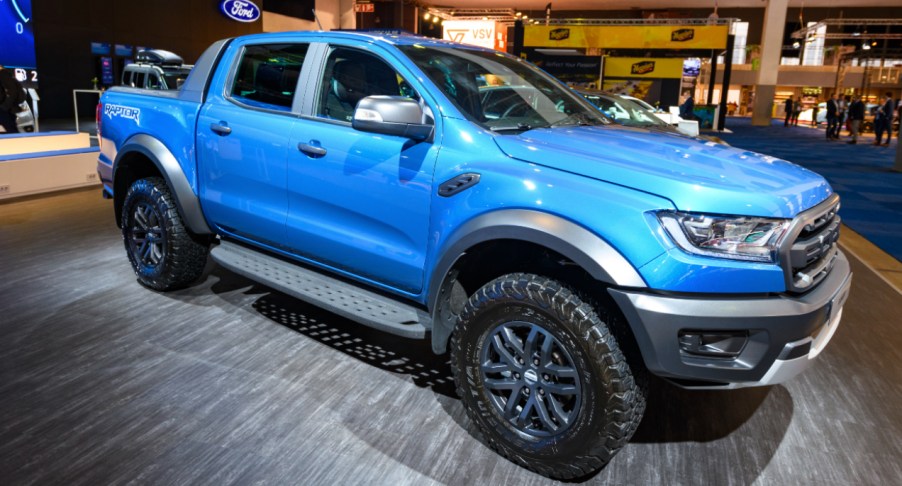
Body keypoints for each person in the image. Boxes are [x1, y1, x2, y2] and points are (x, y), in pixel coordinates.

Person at [0, 65, 25, 134]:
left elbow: (13, 91)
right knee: (11, 129)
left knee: (11, 130)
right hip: (5, 109)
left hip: (5, 109)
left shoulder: (3, 74)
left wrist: (4, 106)